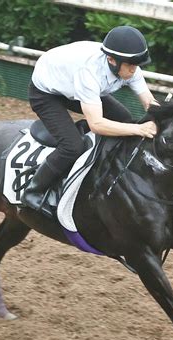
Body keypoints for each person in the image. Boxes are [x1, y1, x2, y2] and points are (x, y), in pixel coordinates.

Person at [22, 25, 158, 212]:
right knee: (72, 146)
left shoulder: (127, 65)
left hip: (72, 84)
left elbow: (149, 103)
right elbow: (97, 124)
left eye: (136, 65)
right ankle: (33, 191)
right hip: (46, 94)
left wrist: (166, 117)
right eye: (131, 66)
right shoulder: (90, 73)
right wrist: (139, 129)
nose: (134, 71)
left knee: (124, 118)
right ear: (111, 60)